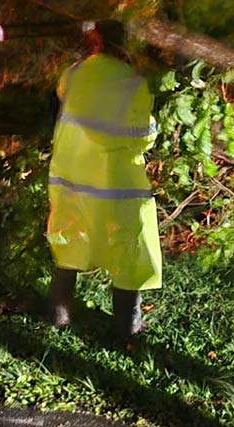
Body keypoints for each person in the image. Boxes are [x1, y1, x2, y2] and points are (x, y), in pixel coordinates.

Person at [45, 21, 162, 340]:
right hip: (117, 184)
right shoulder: (134, 84)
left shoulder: (74, 73)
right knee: (128, 252)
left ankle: (60, 313)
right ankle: (127, 327)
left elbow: (65, 104)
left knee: (68, 241)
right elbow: (141, 135)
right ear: (128, 47)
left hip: (71, 178)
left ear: (94, 40)